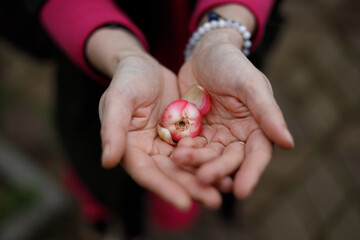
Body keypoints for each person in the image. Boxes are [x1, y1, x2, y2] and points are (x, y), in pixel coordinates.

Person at [36, 0, 294, 238]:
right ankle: (106, 208)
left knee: (184, 178)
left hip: (201, 50)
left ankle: (154, 212)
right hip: (98, 69)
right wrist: (119, 52)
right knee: (102, 159)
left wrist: (222, 33)